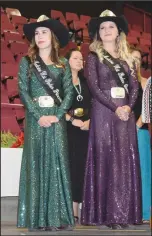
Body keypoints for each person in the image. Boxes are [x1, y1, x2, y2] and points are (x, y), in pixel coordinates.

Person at [81, 10, 142, 229]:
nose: (106, 30)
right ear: (98, 33)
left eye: (111, 27)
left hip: (124, 112)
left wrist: (127, 106)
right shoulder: (92, 57)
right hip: (103, 111)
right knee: (105, 157)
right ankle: (105, 215)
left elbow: (135, 87)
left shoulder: (128, 57)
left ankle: (122, 213)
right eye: (102, 27)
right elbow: (94, 88)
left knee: (123, 160)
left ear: (119, 32)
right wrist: (115, 107)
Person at [17, 15, 74, 231]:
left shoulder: (64, 64)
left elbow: (68, 93)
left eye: (44, 32)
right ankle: (38, 218)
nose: (40, 36)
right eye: (37, 33)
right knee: (37, 163)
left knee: (57, 163)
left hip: (56, 118)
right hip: (36, 118)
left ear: (53, 37)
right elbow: (22, 91)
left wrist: (57, 115)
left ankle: (58, 218)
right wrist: (37, 114)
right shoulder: (27, 62)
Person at [65, 49, 91, 224]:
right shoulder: (62, 82)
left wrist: (90, 121)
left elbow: (94, 105)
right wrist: (71, 119)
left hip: (85, 130)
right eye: (75, 58)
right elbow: (57, 107)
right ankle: (70, 211)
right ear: (67, 61)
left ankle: (81, 210)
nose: (79, 60)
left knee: (82, 169)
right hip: (67, 129)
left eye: (81, 58)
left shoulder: (86, 82)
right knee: (69, 168)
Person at [131, 47, 151, 223]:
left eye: (138, 58)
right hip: (122, 133)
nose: (136, 61)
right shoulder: (121, 83)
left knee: (143, 172)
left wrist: (136, 126)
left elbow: (147, 110)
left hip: (140, 132)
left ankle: (145, 212)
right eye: (132, 58)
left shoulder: (146, 82)